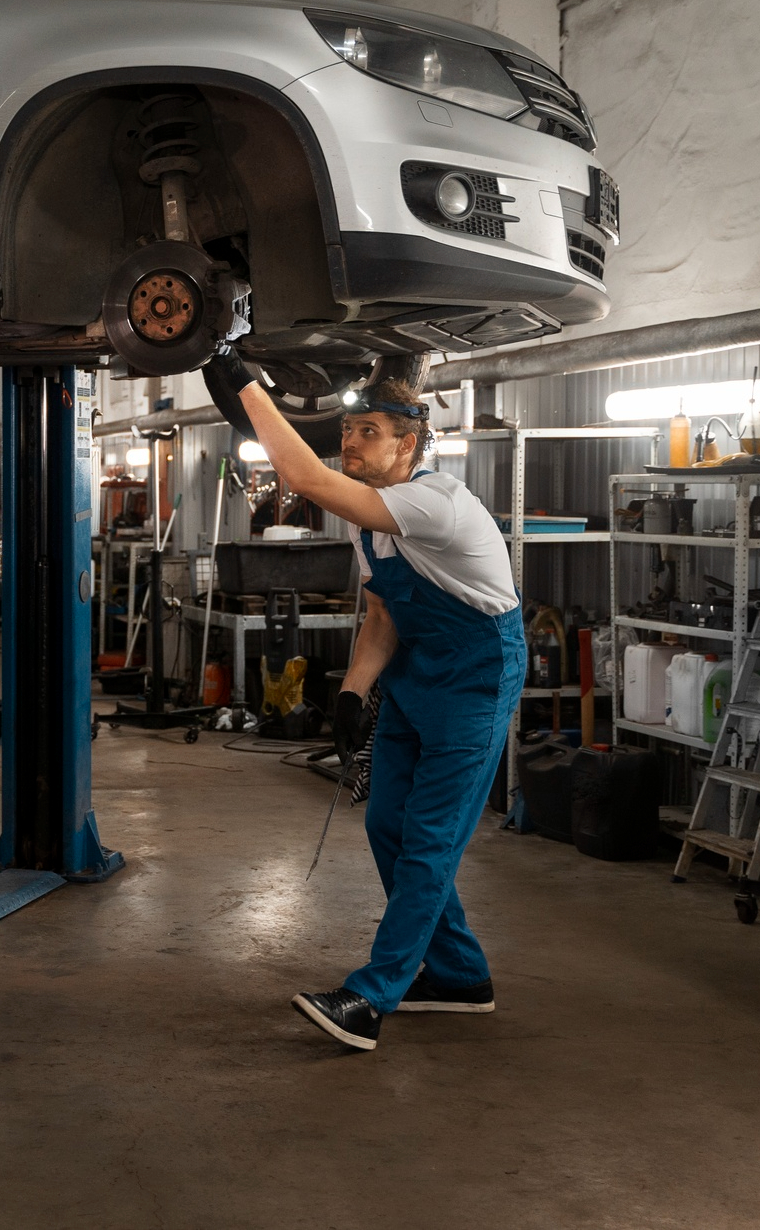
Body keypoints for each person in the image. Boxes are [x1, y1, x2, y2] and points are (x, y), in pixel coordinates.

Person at [203, 345, 524, 1051]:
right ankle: (461, 976)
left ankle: (374, 994)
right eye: (348, 430)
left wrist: (245, 382)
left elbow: (301, 475)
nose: (350, 441)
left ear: (409, 442)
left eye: (368, 431)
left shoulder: (434, 504)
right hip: (415, 673)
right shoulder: (368, 521)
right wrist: (352, 691)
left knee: (430, 842)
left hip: (475, 679)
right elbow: (384, 616)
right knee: (386, 825)